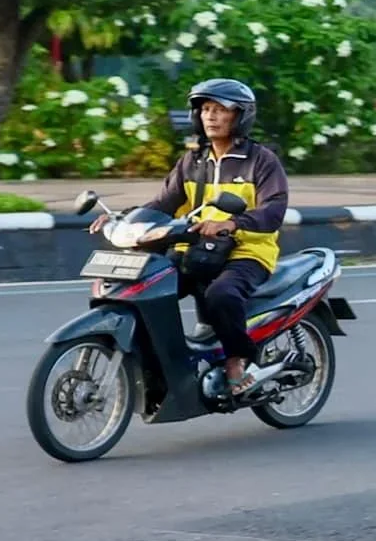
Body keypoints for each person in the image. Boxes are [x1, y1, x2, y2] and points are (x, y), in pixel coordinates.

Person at [118, 77, 290, 399]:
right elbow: (163, 203)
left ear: (240, 116)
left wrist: (232, 224)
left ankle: (238, 362)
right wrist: (122, 219)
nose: (210, 116)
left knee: (222, 294)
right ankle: (161, 363)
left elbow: (274, 211)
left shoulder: (261, 161)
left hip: (246, 252)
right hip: (194, 248)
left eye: (220, 109)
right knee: (149, 286)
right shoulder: (193, 161)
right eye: (205, 109)